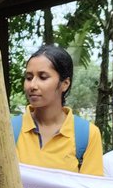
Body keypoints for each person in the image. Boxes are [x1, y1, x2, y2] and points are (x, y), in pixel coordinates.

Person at [14, 44, 104, 175]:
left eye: (43, 77)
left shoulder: (87, 134)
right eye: (28, 78)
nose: (32, 85)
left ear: (65, 84)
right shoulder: (9, 130)